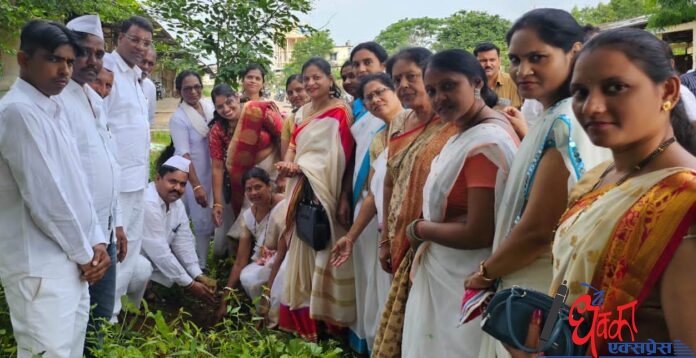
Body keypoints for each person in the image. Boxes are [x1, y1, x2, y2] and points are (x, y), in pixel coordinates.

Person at [507, 27, 696, 358]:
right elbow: (565, 282)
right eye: (580, 92)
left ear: (667, 90)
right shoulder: (597, 179)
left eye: (615, 88)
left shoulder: (686, 203)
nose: (592, 107)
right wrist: (544, 347)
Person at [461, 9, 610, 358]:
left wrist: (484, 273)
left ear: (574, 52)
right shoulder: (551, 115)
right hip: (527, 279)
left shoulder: (567, 122)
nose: (522, 70)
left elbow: (539, 230)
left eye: (537, 57)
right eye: (515, 59)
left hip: (542, 288)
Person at [0, 20, 110, 358]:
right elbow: (46, 198)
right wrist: (85, 254)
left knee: (69, 351)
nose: (64, 70)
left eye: (67, 61)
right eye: (53, 59)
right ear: (23, 59)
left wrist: (95, 241)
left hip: (72, 260)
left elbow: (77, 184)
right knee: (47, 352)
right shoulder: (19, 112)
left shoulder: (54, 107)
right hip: (41, 267)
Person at [401, 49, 519, 358]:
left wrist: (419, 228)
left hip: (465, 275)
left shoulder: (484, 144)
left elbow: (478, 232)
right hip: (451, 272)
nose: (439, 97)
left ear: (477, 82)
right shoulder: (466, 131)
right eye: (433, 90)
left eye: (449, 86)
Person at [373, 47, 462, 357]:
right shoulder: (399, 123)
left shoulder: (452, 124)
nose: (404, 85)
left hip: (435, 238)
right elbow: (388, 179)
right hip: (400, 233)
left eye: (411, 76)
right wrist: (384, 238)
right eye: (397, 79)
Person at [274, 57, 355, 341]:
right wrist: (287, 167)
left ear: (330, 79)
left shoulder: (341, 111)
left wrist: (305, 170)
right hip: (300, 189)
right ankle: (304, 321)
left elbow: (344, 156)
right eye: (306, 78)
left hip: (326, 191)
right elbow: (293, 146)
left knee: (323, 249)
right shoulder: (301, 111)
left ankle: (329, 323)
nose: (310, 83)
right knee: (302, 247)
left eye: (316, 77)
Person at [58, 15, 125, 355]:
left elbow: (108, 164)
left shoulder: (95, 99)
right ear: (67, 52)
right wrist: (91, 240)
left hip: (106, 230)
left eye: (99, 54)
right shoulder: (57, 102)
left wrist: (119, 224)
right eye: (85, 52)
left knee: (98, 318)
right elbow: (64, 181)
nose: (93, 62)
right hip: (82, 236)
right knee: (73, 322)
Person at [331, 72, 404, 354]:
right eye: (369, 96)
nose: (375, 100)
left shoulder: (418, 128)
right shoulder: (379, 138)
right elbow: (375, 194)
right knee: (382, 293)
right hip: (384, 232)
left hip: (412, 234)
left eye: (381, 92)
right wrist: (350, 237)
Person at [103, 15, 154, 321]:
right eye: (134, 39)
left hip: (137, 180)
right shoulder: (107, 70)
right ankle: (106, 315)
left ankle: (116, 310)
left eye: (146, 43)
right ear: (119, 37)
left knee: (130, 249)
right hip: (116, 182)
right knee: (114, 248)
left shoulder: (136, 77)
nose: (140, 47)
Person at [140, 155, 218, 305]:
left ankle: (148, 287)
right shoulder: (148, 202)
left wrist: (197, 274)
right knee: (141, 270)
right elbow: (159, 252)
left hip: (154, 255)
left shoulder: (176, 204)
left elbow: (184, 242)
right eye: (173, 182)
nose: (178, 188)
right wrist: (191, 285)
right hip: (129, 259)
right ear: (157, 178)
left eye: (183, 184)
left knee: (187, 254)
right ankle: (131, 303)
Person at [216, 167, 284, 319]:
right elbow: (240, 261)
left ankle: (277, 317)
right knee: (248, 277)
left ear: (269, 186)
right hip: (264, 260)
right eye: (249, 189)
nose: (253, 193)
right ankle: (264, 313)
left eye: (258, 187)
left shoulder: (283, 205)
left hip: (285, 256)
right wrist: (224, 299)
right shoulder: (247, 218)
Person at [169, 70, 215, 270]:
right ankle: (200, 265)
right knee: (197, 220)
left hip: (214, 172)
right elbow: (184, 155)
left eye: (197, 86)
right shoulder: (179, 118)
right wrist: (196, 186)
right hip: (193, 176)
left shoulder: (209, 107)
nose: (193, 92)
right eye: (187, 88)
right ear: (179, 91)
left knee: (209, 216)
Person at [208, 84, 241, 257]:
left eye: (229, 102)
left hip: (259, 182)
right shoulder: (217, 130)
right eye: (220, 106)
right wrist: (218, 203)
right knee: (230, 232)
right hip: (232, 186)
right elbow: (217, 167)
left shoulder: (254, 115)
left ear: (237, 96)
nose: (226, 109)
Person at [474, 42, 523, 109]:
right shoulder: (470, 85)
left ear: (499, 61)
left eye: (492, 60)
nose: (488, 64)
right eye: (483, 61)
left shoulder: (514, 82)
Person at [281, 74, 310, 160]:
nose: (294, 95)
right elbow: (284, 156)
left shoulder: (322, 114)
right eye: (290, 93)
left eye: (299, 90)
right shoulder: (289, 121)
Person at [140, 47, 157, 126]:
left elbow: (149, 120)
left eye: (150, 64)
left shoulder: (150, 87)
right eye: (143, 61)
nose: (146, 67)